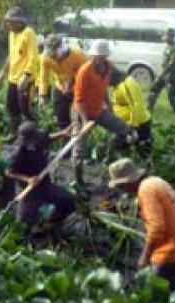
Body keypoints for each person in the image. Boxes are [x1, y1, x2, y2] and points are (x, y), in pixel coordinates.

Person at [108, 158, 175, 290]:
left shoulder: (146, 190)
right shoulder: (156, 182)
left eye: (121, 186)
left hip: (169, 253)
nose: (122, 190)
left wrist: (145, 256)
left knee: (154, 296)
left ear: (127, 182)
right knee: (171, 294)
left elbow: (157, 228)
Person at [72, 40, 133, 190]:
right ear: (93, 55)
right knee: (79, 149)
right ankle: (78, 182)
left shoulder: (108, 67)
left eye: (102, 56)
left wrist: (109, 104)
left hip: (99, 111)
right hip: (83, 113)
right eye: (97, 56)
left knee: (123, 129)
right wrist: (85, 121)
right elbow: (79, 100)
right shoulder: (84, 71)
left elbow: (103, 86)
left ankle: (108, 159)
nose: (99, 59)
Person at [6, 121, 75, 231]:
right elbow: (9, 172)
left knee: (68, 200)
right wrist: (28, 179)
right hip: (29, 190)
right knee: (23, 223)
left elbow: (48, 138)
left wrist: (63, 133)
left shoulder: (37, 138)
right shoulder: (18, 152)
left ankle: (52, 223)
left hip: (44, 184)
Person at [0, 7, 38, 141]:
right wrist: (2, 73)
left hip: (25, 79)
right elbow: (11, 56)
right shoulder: (12, 34)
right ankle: (15, 135)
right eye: (7, 22)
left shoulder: (29, 33)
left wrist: (27, 75)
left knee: (26, 109)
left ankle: (33, 136)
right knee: (11, 107)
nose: (8, 25)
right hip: (13, 78)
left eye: (10, 22)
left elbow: (33, 56)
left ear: (18, 21)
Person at [38, 35, 87, 130]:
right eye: (50, 54)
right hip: (60, 88)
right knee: (61, 118)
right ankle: (65, 139)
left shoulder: (78, 54)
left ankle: (77, 140)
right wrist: (42, 96)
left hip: (77, 89)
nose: (52, 57)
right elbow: (43, 77)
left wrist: (72, 80)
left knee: (78, 118)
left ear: (62, 49)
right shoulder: (46, 58)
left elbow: (85, 76)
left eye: (54, 54)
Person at [109, 68, 152, 159]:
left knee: (143, 150)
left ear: (113, 76)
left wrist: (133, 126)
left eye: (108, 80)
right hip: (126, 122)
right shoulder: (120, 84)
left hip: (137, 123)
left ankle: (146, 169)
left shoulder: (126, 85)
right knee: (122, 149)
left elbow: (136, 105)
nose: (107, 84)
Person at [148, 27, 175, 113]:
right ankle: (149, 106)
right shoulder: (168, 46)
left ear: (170, 36)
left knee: (171, 93)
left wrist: (163, 73)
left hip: (170, 74)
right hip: (163, 73)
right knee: (154, 88)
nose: (164, 37)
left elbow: (172, 63)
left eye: (165, 35)